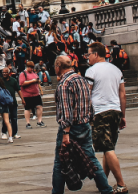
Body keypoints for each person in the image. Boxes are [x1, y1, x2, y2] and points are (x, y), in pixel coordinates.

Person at [51, 55, 112, 194]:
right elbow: (90, 103)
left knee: (60, 161)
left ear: (58, 67)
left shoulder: (64, 84)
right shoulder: (82, 80)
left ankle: (57, 191)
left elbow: (67, 111)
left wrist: (66, 133)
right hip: (84, 125)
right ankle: (106, 189)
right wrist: (89, 120)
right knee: (91, 158)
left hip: (71, 128)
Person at [85, 42, 126, 193]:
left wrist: (86, 114)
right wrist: (123, 115)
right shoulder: (116, 69)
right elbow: (122, 94)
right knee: (108, 147)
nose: (87, 57)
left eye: (88, 54)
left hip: (100, 112)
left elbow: (87, 95)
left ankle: (121, 184)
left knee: (107, 148)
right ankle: (103, 182)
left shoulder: (91, 71)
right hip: (115, 111)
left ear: (96, 54)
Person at [19, 60, 46, 128]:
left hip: (36, 94)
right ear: (27, 67)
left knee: (39, 106)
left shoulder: (34, 73)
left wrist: (38, 81)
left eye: (32, 68)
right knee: (28, 108)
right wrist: (32, 81)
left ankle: (39, 121)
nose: (32, 69)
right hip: (27, 94)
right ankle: (28, 123)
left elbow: (37, 80)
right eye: (30, 68)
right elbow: (22, 83)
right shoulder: (23, 74)